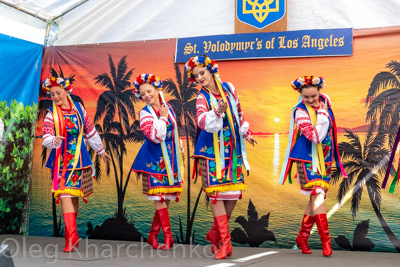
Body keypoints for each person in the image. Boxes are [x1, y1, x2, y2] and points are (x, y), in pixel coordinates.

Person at [184, 55, 256, 260]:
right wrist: (216, 112)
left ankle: (214, 234)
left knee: (232, 197)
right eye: (195, 75)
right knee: (216, 195)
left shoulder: (230, 89)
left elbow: (239, 114)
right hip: (211, 154)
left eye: (202, 73)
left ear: (211, 70)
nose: (199, 78)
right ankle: (226, 243)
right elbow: (202, 122)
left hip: (232, 152)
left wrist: (245, 134)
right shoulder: (201, 98)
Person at [42, 76, 111, 252]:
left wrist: (101, 151)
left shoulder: (79, 110)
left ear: (66, 91)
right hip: (60, 161)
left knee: (73, 197)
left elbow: (90, 131)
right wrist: (54, 140)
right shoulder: (51, 114)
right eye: (52, 94)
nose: (56, 97)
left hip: (79, 159)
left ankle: (69, 234)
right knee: (64, 193)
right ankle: (72, 236)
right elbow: (46, 136)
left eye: (58, 93)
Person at [280, 76, 347, 256]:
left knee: (316, 198)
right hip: (306, 157)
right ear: (300, 95)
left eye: (314, 96)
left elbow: (330, 133)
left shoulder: (326, 101)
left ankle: (303, 237)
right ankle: (326, 241)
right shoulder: (300, 111)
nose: (310, 100)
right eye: (306, 97)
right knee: (317, 195)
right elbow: (314, 137)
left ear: (319, 92)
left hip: (325, 158)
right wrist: (323, 116)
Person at [131, 73, 184, 250]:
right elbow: (154, 136)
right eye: (143, 93)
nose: (147, 95)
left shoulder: (167, 106)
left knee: (166, 198)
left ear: (156, 89)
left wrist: (180, 148)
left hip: (171, 158)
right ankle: (168, 237)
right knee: (159, 198)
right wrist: (162, 117)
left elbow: (175, 131)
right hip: (153, 159)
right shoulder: (144, 113)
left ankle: (153, 235)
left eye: (149, 91)